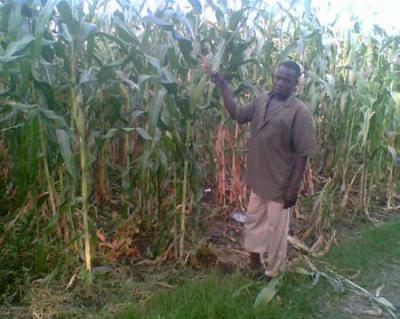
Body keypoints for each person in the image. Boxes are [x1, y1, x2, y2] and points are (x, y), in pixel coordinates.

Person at [212, 61, 314, 278]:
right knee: (254, 223)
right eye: (277, 77)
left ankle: (273, 274)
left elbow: (302, 154)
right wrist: (223, 85)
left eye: (286, 80)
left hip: (280, 182)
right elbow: (238, 114)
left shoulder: (299, 112)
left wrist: (293, 188)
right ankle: (254, 265)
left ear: (295, 84)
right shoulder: (262, 100)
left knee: (276, 232)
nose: (279, 83)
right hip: (258, 178)